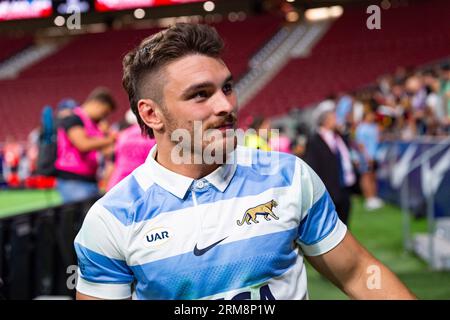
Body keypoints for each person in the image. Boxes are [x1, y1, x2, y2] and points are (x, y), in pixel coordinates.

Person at [74, 23, 415, 300]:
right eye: (200, 94)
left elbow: (357, 273)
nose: (226, 106)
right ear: (151, 114)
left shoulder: (288, 177)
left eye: (228, 88)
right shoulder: (111, 220)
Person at [55, 88, 117, 203]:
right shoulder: (73, 119)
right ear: (97, 104)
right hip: (74, 180)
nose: (103, 117)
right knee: (79, 220)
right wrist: (110, 139)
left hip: (88, 179)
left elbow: (105, 151)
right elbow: (83, 144)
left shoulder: (92, 124)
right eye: (104, 112)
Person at [303, 104, 356, 226]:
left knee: (345, 222)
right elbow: (314, 165)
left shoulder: (339, 136)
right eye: (334, 118)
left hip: (344, 186)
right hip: (329, 188)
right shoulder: (314, 140)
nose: (337, 120)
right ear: (326, 121)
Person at [106, 110, 156, 191]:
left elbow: (112, 162)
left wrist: (106, 182)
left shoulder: (123, 135)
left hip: (117, 183)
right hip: (141, 184)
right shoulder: (153, 136)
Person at [355, 111, 384, 211]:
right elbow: (360, 144)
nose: (372, 116)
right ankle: (369, 198)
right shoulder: (361, 128)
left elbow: (378, 140)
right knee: (366, 176)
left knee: (372, 175)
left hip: (375, 156)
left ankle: (373, 197)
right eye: (370, 114)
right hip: (366, 156)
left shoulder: (374, 127)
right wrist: (367, 157)